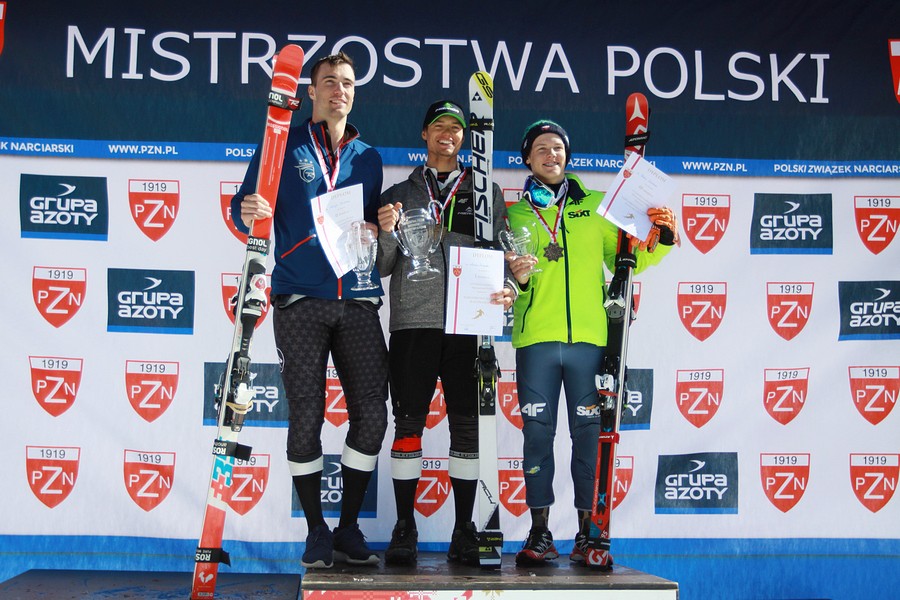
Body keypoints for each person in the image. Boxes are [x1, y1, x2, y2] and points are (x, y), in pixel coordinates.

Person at [231, 52, 387, 569]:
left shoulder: (369, 156)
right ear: (313, 91)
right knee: (306, 416)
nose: (337, 90)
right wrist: (246, 210)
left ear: (354, 94)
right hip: (299, 298)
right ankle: (316, 530)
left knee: (372, 415)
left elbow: (365, 226)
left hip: (358, 298)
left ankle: (346, 527)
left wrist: (377, 226)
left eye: (346, 83)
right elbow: (243, 206)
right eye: (328, 83)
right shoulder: (284, 142)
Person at [505, 120, 678, 566]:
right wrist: (516, 279)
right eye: (541, 148)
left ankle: (588, 533)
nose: (551, 154)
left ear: (568, 156)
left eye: (558, 147)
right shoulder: (515, 214)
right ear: (527, 158)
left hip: (589, 341)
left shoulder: (599, 208)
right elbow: (504, 280)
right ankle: (540, 532)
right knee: (537, 438)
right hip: (536, 341)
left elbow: (631, 258)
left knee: (588, 438)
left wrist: (664, 234)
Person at [376, 100, 515, 566]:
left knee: (467, 428)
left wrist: (511, 287)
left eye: (456, 127)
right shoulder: (398, 192)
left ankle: (463, 528)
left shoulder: (485, 191)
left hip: (468, 323)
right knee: (408, 423)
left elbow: (503, 254)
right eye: (439, 125)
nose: (448, 134)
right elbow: (380, 267)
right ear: (424, 134)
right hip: (413, 323)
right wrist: (388, 231)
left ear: (465, 138)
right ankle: (404, 526)